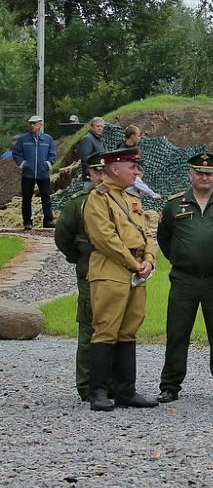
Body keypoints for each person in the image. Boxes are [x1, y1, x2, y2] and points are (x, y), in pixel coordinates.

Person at [156, 153, 213, 403]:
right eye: (200, 173)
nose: (205, 177)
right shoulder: (174, 205)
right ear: (190, 175)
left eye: (209, 173)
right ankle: (170, 385)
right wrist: (182, 258)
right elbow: (164, 239)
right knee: (177, 334)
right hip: (184, 280)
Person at [81, 147, 158, 411]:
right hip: (111, 271)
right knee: (106, 329)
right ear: (114, 169)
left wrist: (149, 259)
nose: (137, 172)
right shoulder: (98, 198)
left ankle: (126, 391)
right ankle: (98, 392)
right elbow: (105, 238)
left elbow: (146, 232)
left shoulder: (132, 198)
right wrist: (134, 263)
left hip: (136, 272)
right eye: (132, 167)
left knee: (128, 331)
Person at [54, 151, 109, 401]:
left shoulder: (120, 200)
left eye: (105, 172)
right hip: (89, 275)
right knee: (89, 329)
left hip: (118, 276)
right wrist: (79, 259)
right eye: (97, 172)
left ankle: (114, 384)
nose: (101, 177)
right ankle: (87, 386)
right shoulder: (78, 204)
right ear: (90, 174)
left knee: (116, 330)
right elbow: (62, 238)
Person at [12, 115, 57, 230]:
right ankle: (27, 222)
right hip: (28, 174)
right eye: (31, 123)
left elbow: (52, 154)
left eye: (35, 123)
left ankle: (48, 220)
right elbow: (16, 152)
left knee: (46, 197)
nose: (32, 125)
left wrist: (48, 164)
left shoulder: (48, 139)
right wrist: (22, 164)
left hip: (43, 174)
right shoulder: (23, 139)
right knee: (26, 198)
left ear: (40, 125)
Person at [120, 126, 161, 199]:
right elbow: (132, 175)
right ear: (133, 136)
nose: (140, 138)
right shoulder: (122, 151)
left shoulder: (136, 150)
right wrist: (153, 195)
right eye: (138, 135)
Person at [78, 117, 106, 182]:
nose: (100, 128)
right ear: (92, 127)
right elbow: (85, 158)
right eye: (98, 126)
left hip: (100, 175)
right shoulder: (87, 139)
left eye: (101, 126)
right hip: (91, 178)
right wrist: (90, 173)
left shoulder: (100, 140)